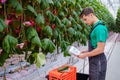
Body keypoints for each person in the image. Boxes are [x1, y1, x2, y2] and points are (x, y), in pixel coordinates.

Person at [77, 7, 108, 80]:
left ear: (91, 15)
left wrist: (85, 55)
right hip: (94, 61)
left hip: (98, 62)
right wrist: (86, 50)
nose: (85, 22)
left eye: (85, 19)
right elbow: (95, 46)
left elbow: (100, 49)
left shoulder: (100, 28)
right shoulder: (95, 27)